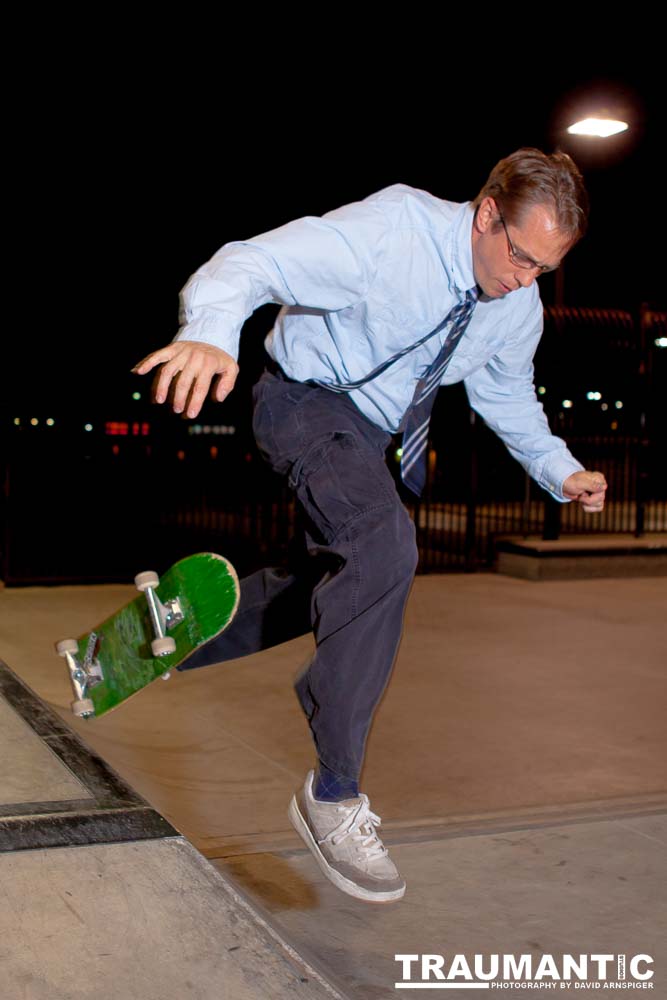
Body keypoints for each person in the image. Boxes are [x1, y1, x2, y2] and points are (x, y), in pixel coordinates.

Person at [133, 148, 608, 904]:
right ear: (486, 215)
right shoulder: (393, 231)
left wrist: (560, 469)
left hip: (362, 436)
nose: (523, 280)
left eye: (542, 270)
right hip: (300, 401)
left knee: (348, 579)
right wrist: (212, 332)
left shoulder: (515, 305)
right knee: (385, 547)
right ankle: (332, 793)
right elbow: (249, 262)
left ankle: (181, 628)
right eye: (518, 257)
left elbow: (507, 396)